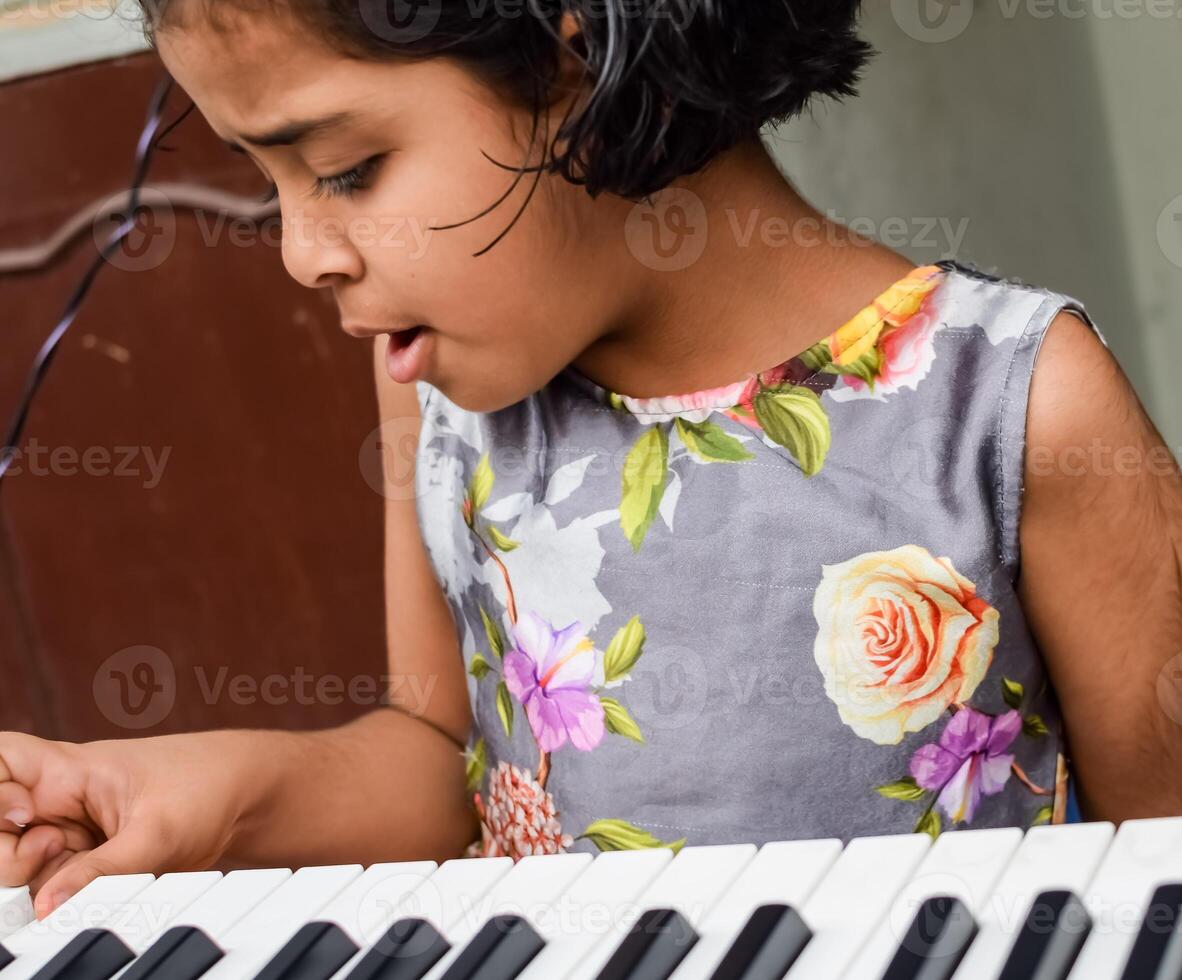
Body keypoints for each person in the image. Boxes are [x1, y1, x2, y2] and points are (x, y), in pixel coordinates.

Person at [2, 0, 1180, 921]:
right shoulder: (438, 395)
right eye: (270, 184)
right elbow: (436, 758)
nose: (303, 253)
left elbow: (1162, 871)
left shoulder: (1018, 407)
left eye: (346, 169)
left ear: (579, 59)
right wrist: (194, 798)